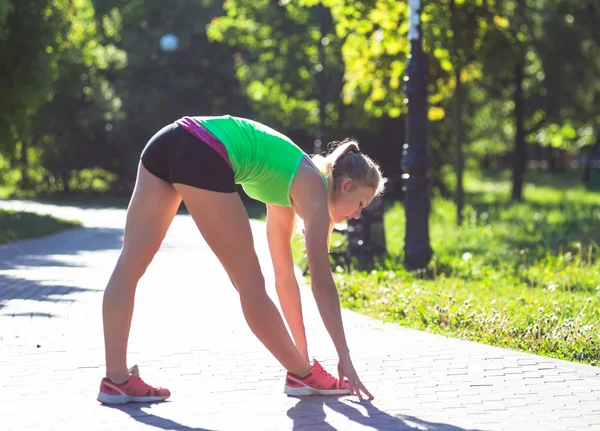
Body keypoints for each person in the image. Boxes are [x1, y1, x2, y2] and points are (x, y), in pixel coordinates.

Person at [97, 115, 384, 404]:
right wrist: (344, 357)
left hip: (169, 138)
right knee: (250, 285)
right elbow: (322, 286)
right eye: (361, 204)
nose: (358, 214)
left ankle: (116, 379)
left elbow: (285, 278)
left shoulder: (290, 182)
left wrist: (303, 355)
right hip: (202, 149)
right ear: (345, 185)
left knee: (130, 264)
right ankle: (302, 373)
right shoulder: (314, 192)